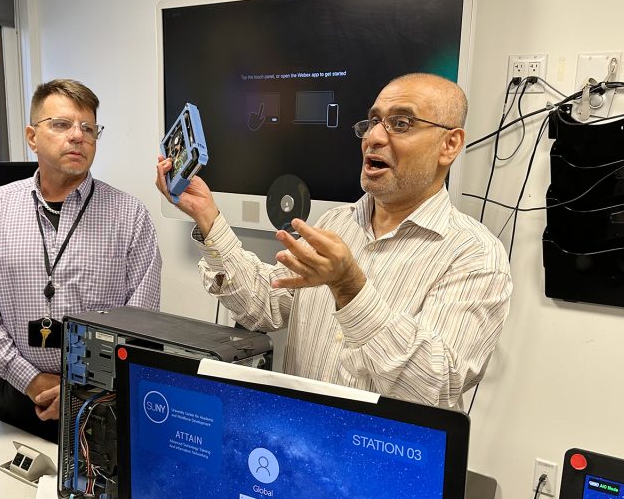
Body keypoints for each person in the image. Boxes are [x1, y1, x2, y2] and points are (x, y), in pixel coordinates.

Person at [155, 73, 511, 410]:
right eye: (372, 122)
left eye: (400, 123)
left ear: (449, 145)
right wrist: (209, 218)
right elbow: (266, 302)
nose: (373, 137)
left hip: (382, 465)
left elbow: (433, 384)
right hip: (297, 443)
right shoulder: (335, 224)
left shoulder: (476, 254)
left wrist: (350, 289)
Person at [0, 79, 161, 439]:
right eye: (61, 124)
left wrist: (84, 391)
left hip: (102, 402)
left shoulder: (129, 215)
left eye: (88, 128)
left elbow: (141, 322)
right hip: (15, 394)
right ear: (32, 136)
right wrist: (29, 378)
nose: (77, 136)